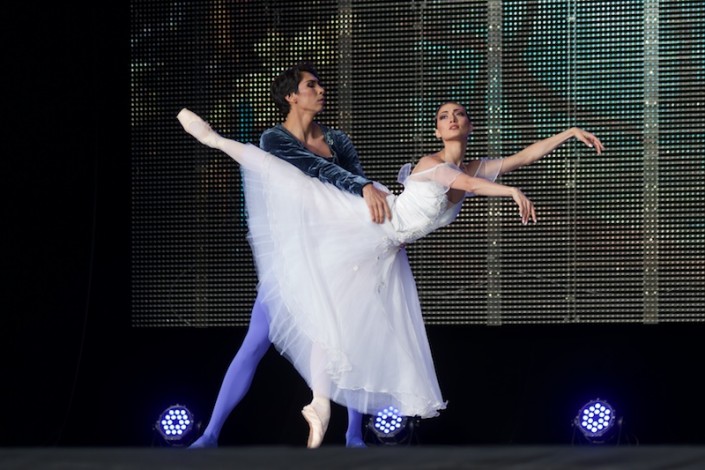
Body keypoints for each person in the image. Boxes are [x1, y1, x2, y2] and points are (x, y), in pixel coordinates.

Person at [178, 98, 603, 448]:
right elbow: (470, 187)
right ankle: (215, 139)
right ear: (437, 131)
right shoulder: (433, 164)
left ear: (469, 126)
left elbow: (521, 157)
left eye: (458, 114)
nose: (452, 119)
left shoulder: (472, 168)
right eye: (444, 116)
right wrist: (509, 191)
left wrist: (568, 133)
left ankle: (327, 410)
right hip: (369, 224)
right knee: (299, 187)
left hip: (385, 250)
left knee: (350, 325)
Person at [188, 62, 391, 450]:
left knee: (350, 341)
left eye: (320, 85)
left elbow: (353, 189)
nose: (321, 90)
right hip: (293, 256)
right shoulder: (274, 139)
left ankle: (353, 435)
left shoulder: (338, 139)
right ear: (291, 96)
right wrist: (363, 185)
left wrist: (372, 210)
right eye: (311, 85)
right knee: (255, 342)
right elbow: (315, 169)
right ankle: (210, 434)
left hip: (338, 253)